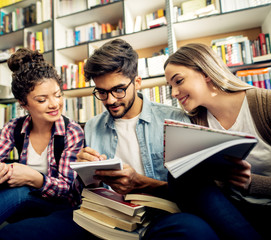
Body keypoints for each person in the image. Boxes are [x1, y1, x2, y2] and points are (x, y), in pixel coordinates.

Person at [77, 39, 259, 240]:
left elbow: (195, 192)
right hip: (112, 218)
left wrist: (140, 183)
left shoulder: (175, 120)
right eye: (101, 92)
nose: (110, 100)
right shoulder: (92, 126)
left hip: (163, 216)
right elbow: (90, 190)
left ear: (137, 82)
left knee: (195, 230)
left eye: (118, 89)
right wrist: (85, 172)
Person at [164, 42, 271, 239]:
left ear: (206, 73)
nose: (173, 93)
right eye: (170, 86)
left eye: (178, 81)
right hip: (231, 210)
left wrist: (252, 183)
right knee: (179, 176)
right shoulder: (196, 121)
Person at [0, 48, 86, 239]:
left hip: (58, 206)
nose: (54, 104)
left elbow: (67, 190)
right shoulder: (13, 127)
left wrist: (34, 178)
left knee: (20, 189)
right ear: (24, 104)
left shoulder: (72, 131)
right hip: (21, 203)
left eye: (58, 95)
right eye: (42, 99)